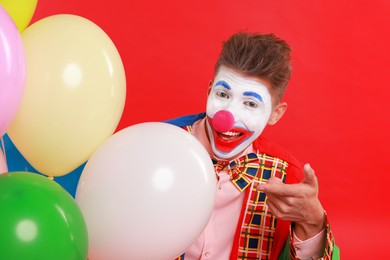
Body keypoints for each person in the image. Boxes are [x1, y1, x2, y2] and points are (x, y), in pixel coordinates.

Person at [166, 31, 339, 259]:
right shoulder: (160, 145)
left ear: (275, 114)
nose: (228, 116)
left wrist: (313, 222)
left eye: (250, 103)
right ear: (209, 91)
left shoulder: (286, 177)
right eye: (222, 94)